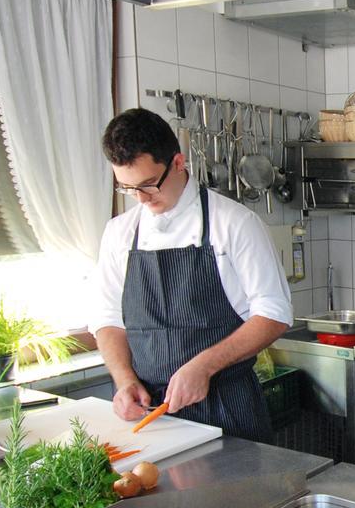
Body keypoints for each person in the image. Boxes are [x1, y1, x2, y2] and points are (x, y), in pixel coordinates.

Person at [90, 108, 293, 442]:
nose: (141, 198)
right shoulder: (118, 233)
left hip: (227, 409)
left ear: (178, 163)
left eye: (148, 185)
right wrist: (125, 379)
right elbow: (107, 318)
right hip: (152, 416)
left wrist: (204, 366)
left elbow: (274, 314)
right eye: (127, 189)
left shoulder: (234, 224)